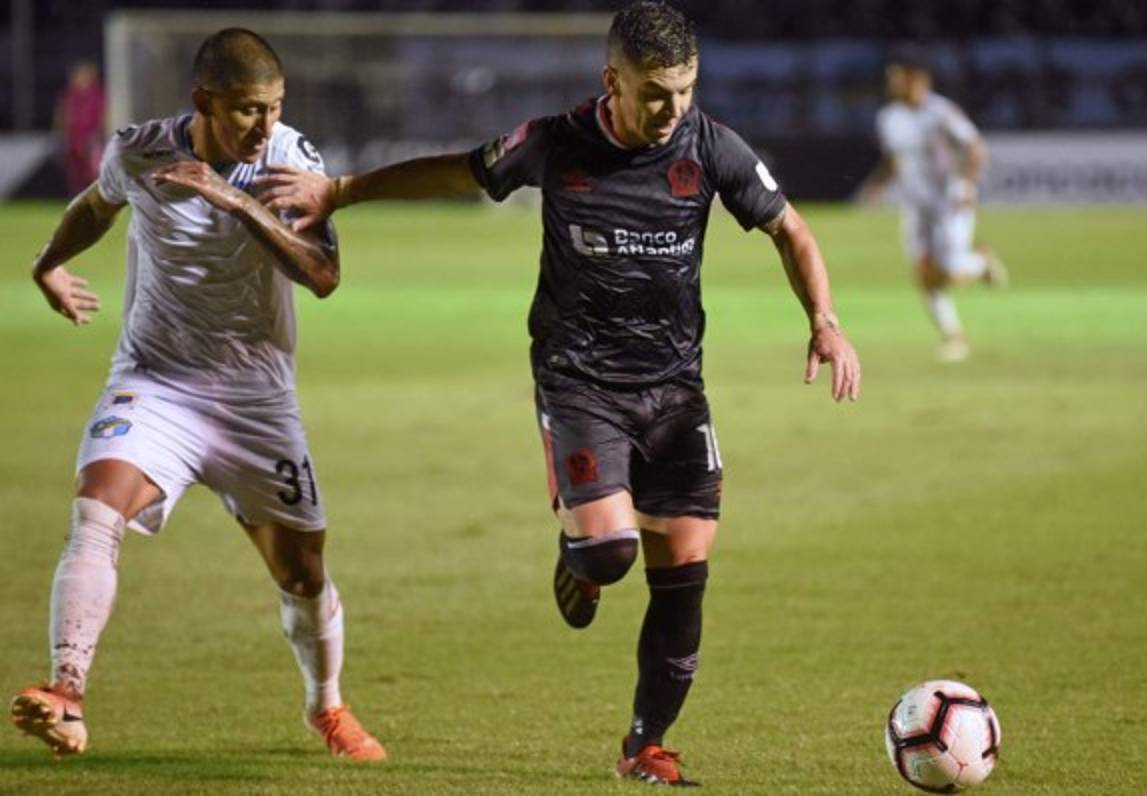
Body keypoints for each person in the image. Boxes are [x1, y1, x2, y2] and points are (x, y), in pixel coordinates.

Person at [257, 1, 859, 784]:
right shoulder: (555, 142)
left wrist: (826, 320)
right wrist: (339, 191)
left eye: (684, 90)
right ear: (613, 81)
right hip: (578, 381)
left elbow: (792, 229)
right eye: (654, 93)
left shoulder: (712, 147)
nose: (672, 109)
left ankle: (645, 745)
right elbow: (459, 170)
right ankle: (578, 552)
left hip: (675, 388)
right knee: (608, 556)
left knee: (683, 565)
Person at [10, 28, 385, 762]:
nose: (264, 126)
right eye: (247, 110)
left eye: (274, 108)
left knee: (302, 573)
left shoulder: (290, 162)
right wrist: (46, 263)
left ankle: (327, 707)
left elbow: (323, 275)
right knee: (95, 508)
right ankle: (67, 692)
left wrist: (236, 203)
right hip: (155, 384)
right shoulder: (140, 151)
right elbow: (95, 203)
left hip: (257, 403)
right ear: (203, 102)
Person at [862, 45, 1007, 363]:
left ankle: (979, 263)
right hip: (916, 205)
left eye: (897, 77)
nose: (892, 83)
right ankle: (953, 336)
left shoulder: (940, 112)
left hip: (949, 201)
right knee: (924, 273)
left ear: (916, 78)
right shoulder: (888, 117)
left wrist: (968, 185)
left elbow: (975, 147)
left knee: (950, 274)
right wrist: (877, 187)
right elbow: (893, 160)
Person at [57, 61, 107, 197]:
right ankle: (77, 198)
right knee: (75, 174)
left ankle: (96, 198)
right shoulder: (70, 95)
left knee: (93, 171)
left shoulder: (98, 95)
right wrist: (62, 134)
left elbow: (104, 117)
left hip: (92, 139)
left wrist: (98, 136)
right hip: (73, 139)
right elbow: (63, 115)